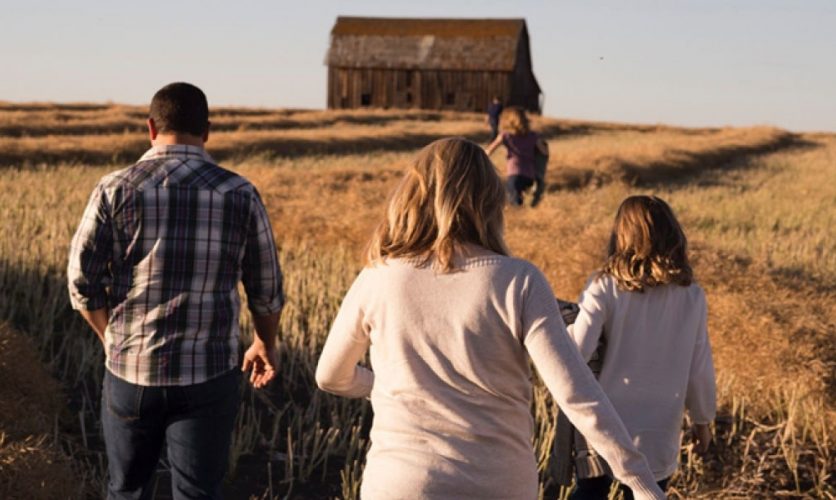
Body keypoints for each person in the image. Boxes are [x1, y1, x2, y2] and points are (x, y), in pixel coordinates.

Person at [314, 137, 665, 500]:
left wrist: (393, 388)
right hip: (497, 483)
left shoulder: (377, 276)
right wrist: (639, 482)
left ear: (413, 196)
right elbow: (575, 393)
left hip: (399, 483)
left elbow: (330, 376)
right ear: (490, 200)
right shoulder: (519, 280)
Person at [67, 82, 284, 499]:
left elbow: (82, 283)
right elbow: (266, 289)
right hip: (209, 374)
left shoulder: (115, 188)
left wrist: (112, 339)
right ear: (207, 131)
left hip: (131, 372)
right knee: (199, 493)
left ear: (151, 127)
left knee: (127, 490)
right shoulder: (239, 193)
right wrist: (264, 342)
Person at [566, 195, 716, 500]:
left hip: (607, 423)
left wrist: (562, 323)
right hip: (661, 427)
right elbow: (699, 369)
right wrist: (703, 423)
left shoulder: (604, 285)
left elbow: (576, 350)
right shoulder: (692, 296)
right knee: (648, 491)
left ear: (621, 235)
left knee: (590, 490)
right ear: (674, 236)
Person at [485, 106, 548, 207]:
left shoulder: (505, 136)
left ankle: (520, 218)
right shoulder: (533, 136)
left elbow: (488, 151)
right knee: (525, 203)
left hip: (514, 173)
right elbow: (544, 152)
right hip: (530, 175)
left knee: (514, 204)